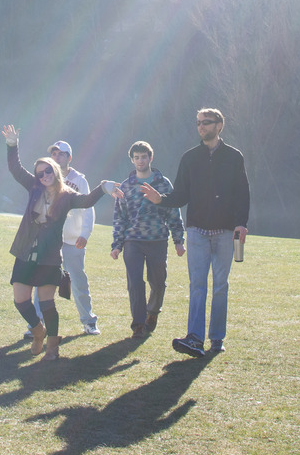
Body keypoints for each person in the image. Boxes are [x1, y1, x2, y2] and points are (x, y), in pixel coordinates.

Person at [2, 125, 123, 361]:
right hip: (26, 251)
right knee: (20, 300)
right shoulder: (34, 186)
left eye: (48, 171)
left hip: (49, 256)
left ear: (56, 170)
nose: (44, 175)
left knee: (47, 303)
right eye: (40, 173)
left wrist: (104, 187)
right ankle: (38, 331)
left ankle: (52, 347)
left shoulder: (67, 195)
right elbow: (15, 169)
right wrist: (11, 145)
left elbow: (87, 201)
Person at [141, 108, 249, 357]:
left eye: (206, 123)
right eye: (198, 123)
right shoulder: (189, 158)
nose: (201, 127)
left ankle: (217, 339)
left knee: (220, 286)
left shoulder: (234, 157)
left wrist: (241, 223)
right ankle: (195, 338)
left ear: (219, 125)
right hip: (197, 231)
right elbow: (180, 195)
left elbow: (243, 193)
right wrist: (161, 199)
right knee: (197, 285)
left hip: (224, 231)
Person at [111, 141, 185, 338]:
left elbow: (173, 212)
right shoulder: (126, 186)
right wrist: (117, 245)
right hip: (133, 240)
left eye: (144, 157)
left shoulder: (163, 183)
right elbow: (120, 217)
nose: (140, 160)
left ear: (150, 158)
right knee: (135, 282)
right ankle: (138, 324)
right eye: (136, 157)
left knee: (158, 282)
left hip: (157, 240)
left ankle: (152, 312)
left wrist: (178, 240)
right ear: (132, 160)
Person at [48, 140, 101, 335]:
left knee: (78, 281)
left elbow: (88, 208)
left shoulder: (79, 180)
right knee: (42, 282)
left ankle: (89, 321)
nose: (56, 157)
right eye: (54, 153)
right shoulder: (45, 176)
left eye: (61, 154)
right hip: (49, 240)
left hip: (72, 240)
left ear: (69, 157)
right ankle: (36, 325)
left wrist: (85, 234)